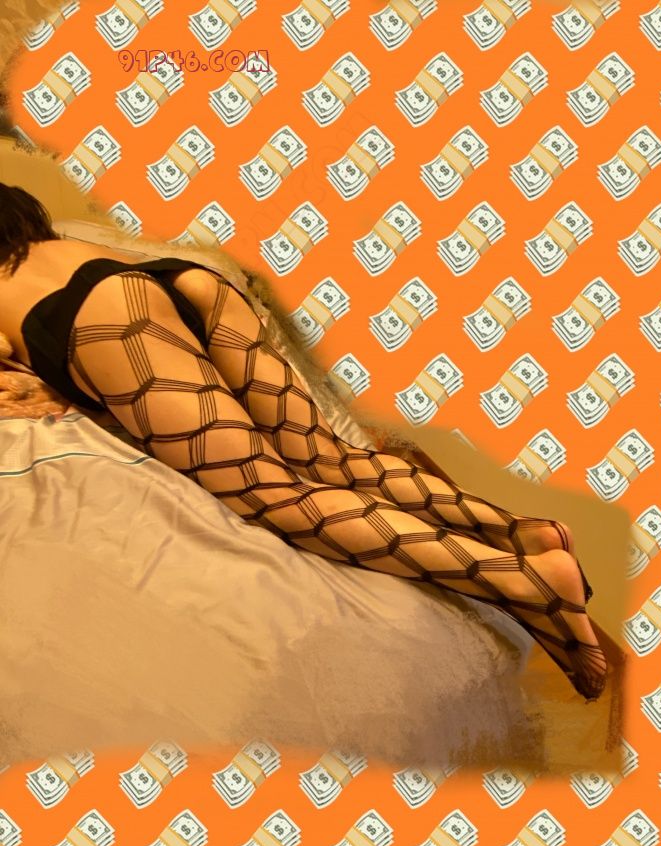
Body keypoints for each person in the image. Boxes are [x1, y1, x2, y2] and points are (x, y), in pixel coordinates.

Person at [0, 182, 615, 701]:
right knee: (325, 456)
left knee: (271, 492)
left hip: (103, 319)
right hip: (186, 283)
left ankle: (519, 580)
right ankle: (522, 531)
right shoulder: (63, 243)